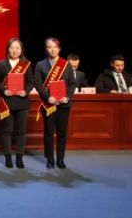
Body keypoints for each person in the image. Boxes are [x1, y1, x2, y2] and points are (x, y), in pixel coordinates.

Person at [34, 37, 77, 169]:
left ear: (59, 49)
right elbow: (38, 84)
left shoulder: (66, 64)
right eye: (49, 47)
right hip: (49, 104)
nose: (52, 50)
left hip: (64, 104)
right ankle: (50, 158)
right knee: (49, 132)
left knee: (62, 133)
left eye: (55, 47)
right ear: (46, 49)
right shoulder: (40, 65)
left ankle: (60, 159)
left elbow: (72, 83)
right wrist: (47, 97)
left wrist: (67, 97)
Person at [0, 37, 35, 169]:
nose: (15, 50)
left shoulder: (26, 64)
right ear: (8, 49)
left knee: (21, 131)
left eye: (17, 48)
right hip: (7, 101)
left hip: (22, 102)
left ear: (21, 50)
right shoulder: (0, 64)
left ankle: (19, 158)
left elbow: (31, 82)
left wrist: (26, 91)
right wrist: (3, 90)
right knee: (7, 131)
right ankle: (8, 157)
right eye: (12, 48)